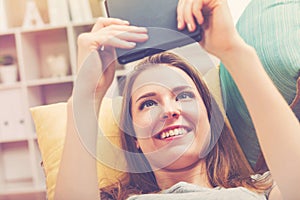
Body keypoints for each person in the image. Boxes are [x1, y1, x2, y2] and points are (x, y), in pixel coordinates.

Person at [54, 0, 300, 199]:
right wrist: (87, 96)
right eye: (148, 103)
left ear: (210, 119)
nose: (170, 111)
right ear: (134, 138)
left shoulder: (263, 190)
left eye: (184, 96)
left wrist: (233, 51)